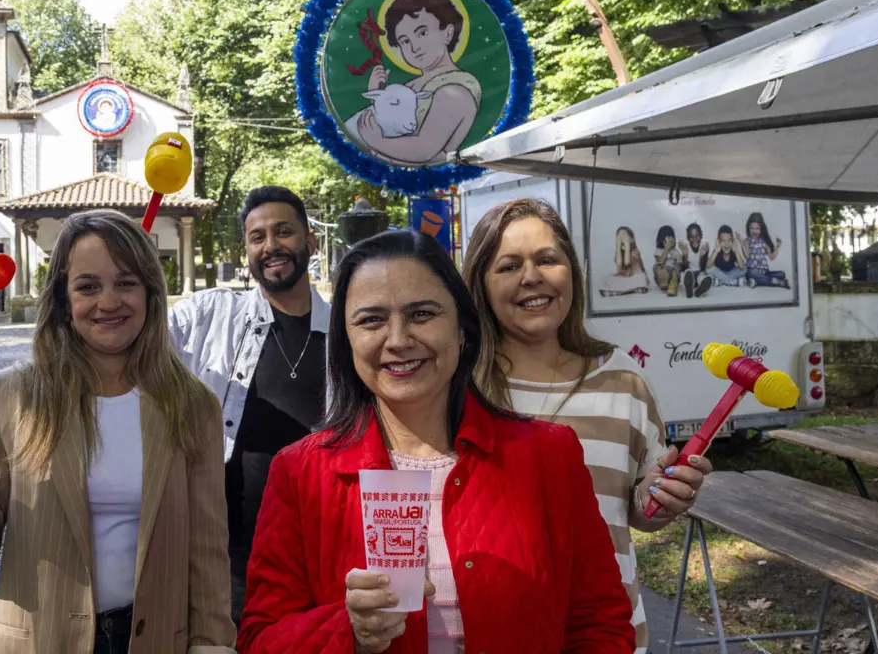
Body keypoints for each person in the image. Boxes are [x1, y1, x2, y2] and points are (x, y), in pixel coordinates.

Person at [240, 230, 635, 653]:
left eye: (422, 314)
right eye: (371, 320)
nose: (398, 339)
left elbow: (602, 624)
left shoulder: (548, 454)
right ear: (347, 341)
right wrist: (345, 630)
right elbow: (260, 639)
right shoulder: (301, 473)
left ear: (462, 329)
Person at [0, 209, 234, 654]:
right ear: (63, 303)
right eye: (88, 286)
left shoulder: (192, 405)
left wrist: (212, 644)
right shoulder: (7, 397)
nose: (108, 302)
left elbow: (207, 552)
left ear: (150, 293)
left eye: (126, 282)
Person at [461, 199, 714, 654]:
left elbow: (638, 510)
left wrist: (662, 497)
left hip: (608, 634)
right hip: (491, 634)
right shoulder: (459, 390)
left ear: (571, 273)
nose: (531, 277)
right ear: (480, 284)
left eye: (547, 259)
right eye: (509, 266)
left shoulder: (624, 380)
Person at [169, 186, 331, 625]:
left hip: (315, 549)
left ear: (310, 241)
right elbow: (134, 338)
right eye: (257, 237)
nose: (271, 245)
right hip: (227, 550)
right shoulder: (209, 317)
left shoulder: (346, 334)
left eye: (283, 232)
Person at [354, 0, 483, 165]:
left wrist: (376, 141)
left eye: (422, 33)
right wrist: (377, 96)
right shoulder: (414, 85)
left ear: (447, 32)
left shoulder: (455, 90)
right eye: (405, 41)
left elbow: (423, 149)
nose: (415, 47)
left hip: (431, 175)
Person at [742, 211, 790, 288]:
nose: (754, 231)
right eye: (752, 228)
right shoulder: (747, 241)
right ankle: (778, 282)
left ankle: (756, 281)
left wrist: (778, 246)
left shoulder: (764, 242)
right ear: (748, 228)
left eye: (757, 228)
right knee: (751, 273)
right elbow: (747, 256)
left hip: (764, 272)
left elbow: (771, 257)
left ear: (761, 229)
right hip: (752, 271)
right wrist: (741, 242)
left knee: (782, 274)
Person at [598, 226, 649, 297]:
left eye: (625, 237)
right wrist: (618, 246)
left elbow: (627, 262)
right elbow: (619, 264)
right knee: (607, 279)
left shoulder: (635, 252)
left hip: (634, 276)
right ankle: (627, 290)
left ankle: (619, 291)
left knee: (641, 279)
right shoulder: (618, 253)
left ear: (632, 239)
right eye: (620, 238)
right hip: (622, 277)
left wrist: (627, 245)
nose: (622, 240)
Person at [679, 222, 713, 298]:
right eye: (691, 237)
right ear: (688, 237)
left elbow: (703, 267)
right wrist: (685, 255)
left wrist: (702, 256)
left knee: (702, 276)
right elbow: (684, 267)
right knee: (684, 275)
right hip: (689, 273)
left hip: (699, 272)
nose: (694, 239)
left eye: (697, 236)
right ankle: (689, 289)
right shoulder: (685, 246)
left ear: (701, 235)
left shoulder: (704, 246)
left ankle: (699, 291)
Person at [653, 225, 680, 297]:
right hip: (662, 274)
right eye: (668, 237)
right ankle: (664, 284)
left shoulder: (675, 251)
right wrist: (666, 249)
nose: (671, 239)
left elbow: (680, 264)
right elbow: (660, 262)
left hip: (673, 274)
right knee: (657, 266)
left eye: (672, 237)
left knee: (674, 269)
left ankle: (672, 286)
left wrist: (682, 254)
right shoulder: (658, 250)